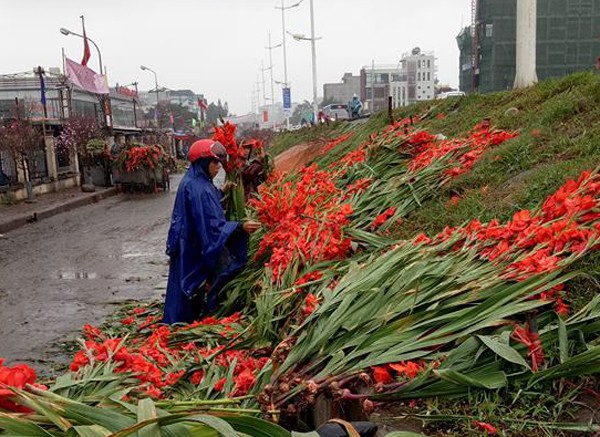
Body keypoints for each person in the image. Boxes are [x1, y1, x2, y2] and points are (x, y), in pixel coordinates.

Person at [163, 139, 260, 324]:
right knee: (200, 278)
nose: (218, 167)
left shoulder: (197, 180)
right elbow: (211, 227)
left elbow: (210, 200)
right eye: (214, 162)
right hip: (191, 245)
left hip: (188, 242)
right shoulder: (198, 188)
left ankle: (186, 317)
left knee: (183, 283)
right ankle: (197, 317)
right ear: (203, 163)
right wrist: (240, 227)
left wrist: (223, 190)